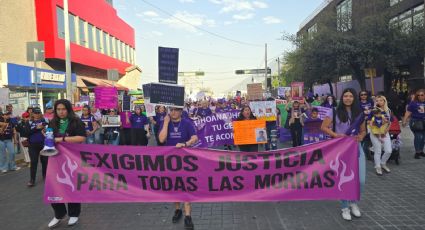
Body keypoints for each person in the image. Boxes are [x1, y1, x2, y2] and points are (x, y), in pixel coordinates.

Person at [321, 88, 366, 221]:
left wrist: (361, 136)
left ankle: (354, 203)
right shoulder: (334, 111)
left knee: (361, 180)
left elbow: (363, 130)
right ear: (342, 97)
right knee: (344, 178)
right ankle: (345, 206)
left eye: (350, 96)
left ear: (354, 98)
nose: (348, 98)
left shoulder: (359, 113)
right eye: (345, 96)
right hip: (340, 148)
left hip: (356, 148)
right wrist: (336, 135)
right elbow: (323, 127)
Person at [47, 99, 86, 228]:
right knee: (53, 187)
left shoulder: (76, 122)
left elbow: (81, 138)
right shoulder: (52, 122)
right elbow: (49, 137)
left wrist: (61, 139)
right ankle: (59, 214)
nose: (61, 112)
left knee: (71, 185)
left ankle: (74, 214)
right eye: (58, 109)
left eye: (63, 109)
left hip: (72, 160)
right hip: (55, 159)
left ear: (68, 109)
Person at [158, 107, 198, 230]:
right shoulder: (165, 122)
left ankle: (188, 216)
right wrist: (165, 123)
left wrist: (185, 144)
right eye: (171, 110)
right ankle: (177, 210)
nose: (173, 112)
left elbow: (195, 137)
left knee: (185, 186)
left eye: (176, 110)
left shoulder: (187, 122)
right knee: (174, 186)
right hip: (170, 161)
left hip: (185, 160)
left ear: (181, 112)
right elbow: (161, 139)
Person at [369, 96, 392, 175]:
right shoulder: (373, 110)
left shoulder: (388, 110)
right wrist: (377, 125)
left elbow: (390, 122)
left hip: (385, 133)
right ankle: (378, 166)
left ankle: (383, 163)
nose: (379, 102)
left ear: (384, 101)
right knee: (378, 150)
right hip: (375, 133)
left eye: (381, 100)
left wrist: (386, 130)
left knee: (388, 150)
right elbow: (369, 122)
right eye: (377, 100)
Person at [26, 107, 48, 186]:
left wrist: (46, 130)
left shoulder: (44, 120)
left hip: (43, 144)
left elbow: (49, 130)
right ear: (32, 114)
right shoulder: (29, 122)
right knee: (34, 162)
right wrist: (36, 128)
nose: (37, 115)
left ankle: (45, 176)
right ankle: (32, 180)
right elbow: (27, 133)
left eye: (39, 113)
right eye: (36, 113)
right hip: (32, 145)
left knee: (45, 162)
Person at [402, 88, 425, 159]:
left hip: (424, 121)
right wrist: (404, 120)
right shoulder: (413, 103)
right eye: (418, 95)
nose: (420, 96)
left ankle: (421, 151)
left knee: (423, 137)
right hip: (416, 121)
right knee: (418, 136)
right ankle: (417, 152)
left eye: (422, 95)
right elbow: (408, 112)